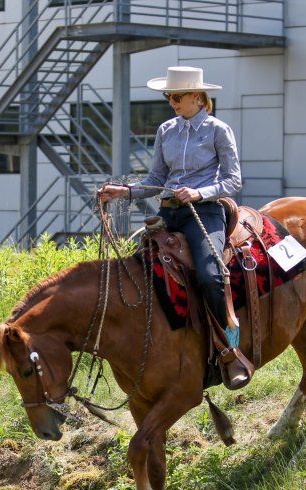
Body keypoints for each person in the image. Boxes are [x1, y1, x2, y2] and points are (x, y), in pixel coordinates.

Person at [98, 65, 248, 388]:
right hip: (169, 213)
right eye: (169, 96)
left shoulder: (218, 131)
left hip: (204, 213)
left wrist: (199, 192)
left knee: (209, 275)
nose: (171, 102)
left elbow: (233, 180)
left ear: (197, 97)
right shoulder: (166, 130)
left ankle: (229, 349)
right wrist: (123, 192)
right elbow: (156, 181)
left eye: (177, 96)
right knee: (138, 275)